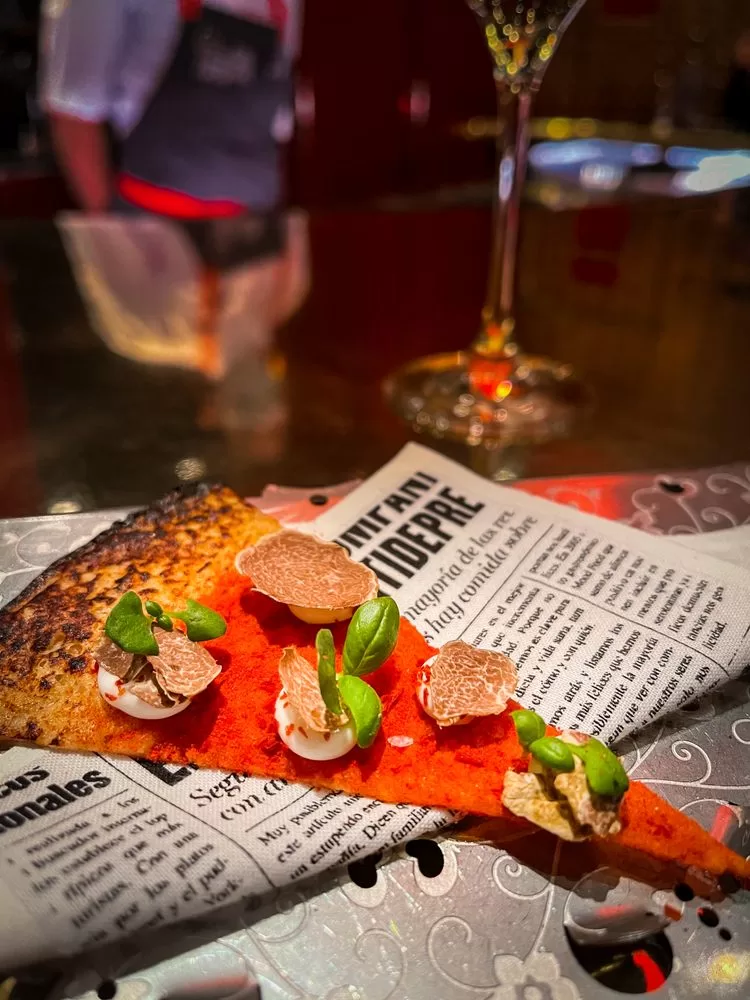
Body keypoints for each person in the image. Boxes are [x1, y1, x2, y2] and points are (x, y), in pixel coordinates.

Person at [39, 0, 302, 217]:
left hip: (255, 229)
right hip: (153, 229)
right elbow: (73, 113)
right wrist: (112, 231)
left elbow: (282, 121)